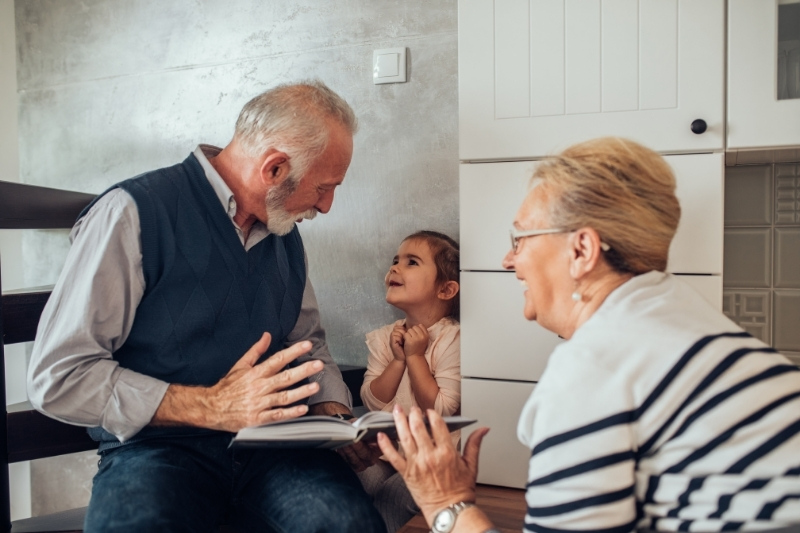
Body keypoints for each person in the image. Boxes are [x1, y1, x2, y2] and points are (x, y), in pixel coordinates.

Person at [377, 137, 800, 533]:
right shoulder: (690, 320)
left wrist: (446, 504)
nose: (509, 260)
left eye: (520, 238)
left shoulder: (595, 366)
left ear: (581, 251)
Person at [27, 81, 386, 533]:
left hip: (274, 450)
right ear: (274, 168)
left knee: (347, 525)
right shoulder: (131, 212)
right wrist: (210, 406)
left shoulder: (285, 236)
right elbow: (59, 376)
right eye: (323, 188)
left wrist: (332, 413)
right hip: (156, 452)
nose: (327, 206)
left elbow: (306, 344)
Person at [358, 230, 461, 532]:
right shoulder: (383, 338)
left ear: (445, 289)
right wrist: (399, 359)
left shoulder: (451, 339)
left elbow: (442, 411)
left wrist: (416, 358)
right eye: (395, 260)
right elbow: (372, 399)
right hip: (391, 453)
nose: (394, 268)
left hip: (434, 461)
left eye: (411, 262)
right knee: (354, 478)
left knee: (393, 497)